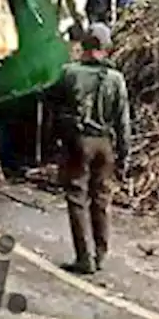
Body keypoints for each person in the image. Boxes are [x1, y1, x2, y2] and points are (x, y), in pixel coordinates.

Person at [49, 23, 131, 275]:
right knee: (101, 199)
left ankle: (84, 257)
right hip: (105, 145)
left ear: (84, 45)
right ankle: (101, 253)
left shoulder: (69, 73)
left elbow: (53, 108)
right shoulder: (116, 79)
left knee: (77, 198)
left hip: (78, 143)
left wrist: (55, 142)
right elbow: (123, 120)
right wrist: (124, 155)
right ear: (106, 48)